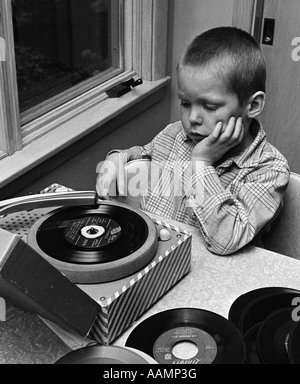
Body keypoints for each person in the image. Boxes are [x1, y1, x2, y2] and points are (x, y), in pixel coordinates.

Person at [96, 26, 290, 255]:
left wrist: (201, 163)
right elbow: (144, 152)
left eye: (209, 106)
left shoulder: (269, 170)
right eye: (185, 103)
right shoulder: (175, 134)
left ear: (253, 105)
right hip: (155, 261)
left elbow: (226, 241)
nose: (193, 118)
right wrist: (117, 158)